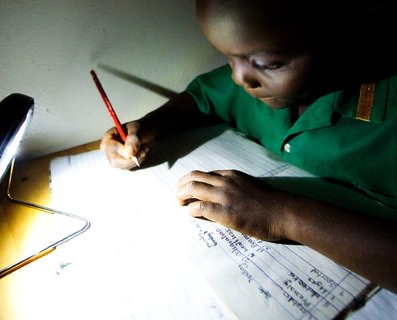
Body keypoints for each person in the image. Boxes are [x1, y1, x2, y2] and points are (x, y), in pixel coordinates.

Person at [99, 0, 397, 292]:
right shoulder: (265, 84)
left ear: (347, 31)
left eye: (267, 63)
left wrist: (281, 216)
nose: (238, 77)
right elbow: (201, 96)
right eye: (228, 57)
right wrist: (149, 125)